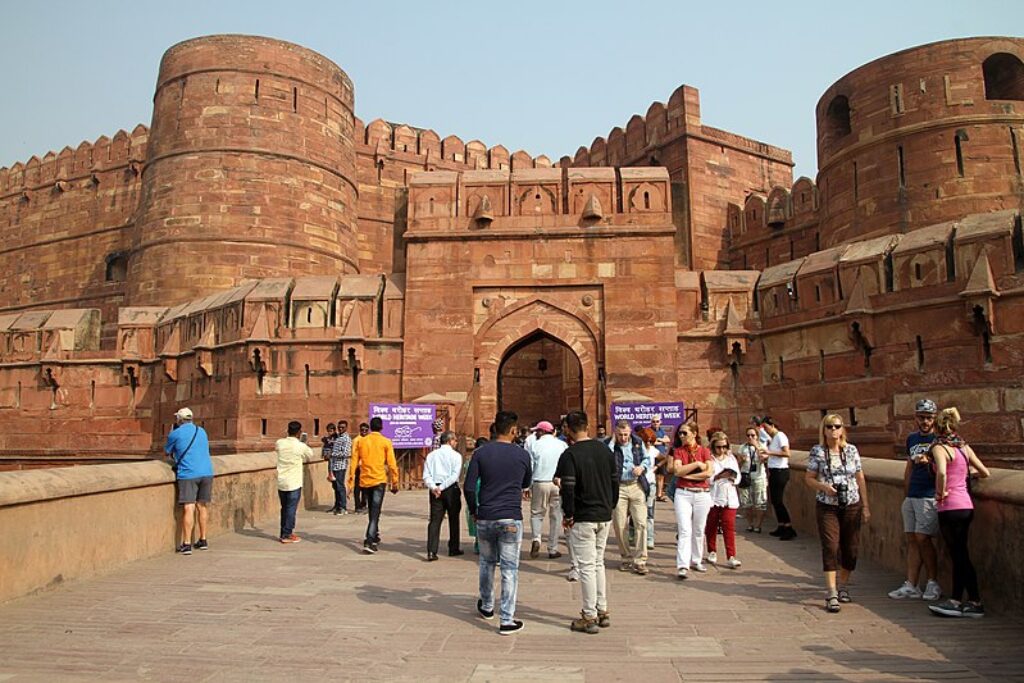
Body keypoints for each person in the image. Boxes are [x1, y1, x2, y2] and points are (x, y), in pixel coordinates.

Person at [464, 410, 531, 635]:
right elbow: (526, 482)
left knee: (486, 562)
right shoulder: (521, 455)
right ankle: (507, 619)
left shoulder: (480, 453)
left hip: (486, 515)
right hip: (510, 516)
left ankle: (487, 606)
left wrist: (475, 511)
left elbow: (470, 487)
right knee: (509, 569)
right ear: (513, 430)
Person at [557, 409, 618, 634]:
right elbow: (614, 482)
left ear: (568, 429)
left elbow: (569, 488)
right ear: (587, 426)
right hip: (603, 513)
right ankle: (602, 610)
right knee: (598, 563)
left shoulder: (570, 454)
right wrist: (609, 505)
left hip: (583, 516)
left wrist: (568, 514)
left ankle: (589, 615)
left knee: (586, 567)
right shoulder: (605, 450)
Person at [928, 407, 990, 618]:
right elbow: (985, 472)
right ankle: (966, 601)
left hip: (949, 507)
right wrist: (966, 474)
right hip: (966, 506)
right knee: (961, 554)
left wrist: (940, 491)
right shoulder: (963, 447)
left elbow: (942, 472)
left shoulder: (939, 448)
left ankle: (966, 601)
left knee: (959, 556)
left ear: (937, 427)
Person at [805, 414, 870, 613]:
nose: (833, 430)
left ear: (842, 429)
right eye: (829, 426)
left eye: (837, 426)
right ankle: (832, 591)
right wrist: (824, 487)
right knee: (831, 546)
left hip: (851, 504)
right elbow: (808, 478)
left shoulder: (851, 451)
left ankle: (843, 585)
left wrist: (866, 505)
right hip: (827, 505)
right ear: (823, 430)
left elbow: (860, 478)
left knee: (850, 549)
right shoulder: (817, 452)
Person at [889, 399, 942, 601]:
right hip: (913, 495)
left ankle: (932, 582)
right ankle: (911, 584)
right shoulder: (912, 439)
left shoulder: (939, 439)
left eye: (929, 417)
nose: (925, 421)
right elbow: (909, 467)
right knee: (912, 539)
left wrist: (929, 460)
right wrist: (906, 492)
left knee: (923, 538)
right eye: (922, 417)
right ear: (916, 418)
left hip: (929, 495)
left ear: (935, 418)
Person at [164, 407, 214, 555]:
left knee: (189, 507)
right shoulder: (202, 431)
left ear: (179, 420)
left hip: (189, 473)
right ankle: (203, 539)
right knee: (202, 506)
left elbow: (167, 452)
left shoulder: (176, 433)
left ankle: (186, 543)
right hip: (207, 472)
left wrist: (171, 434)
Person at [605, 419, 652, 575]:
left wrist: (642, 467)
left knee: (641, 523)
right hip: (619, 486)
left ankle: (640, 560)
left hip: (636, 484)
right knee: (619, 525)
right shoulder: (609, 444)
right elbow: (606, 459)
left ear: (630, 432)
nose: (623, 438)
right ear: (615, 433)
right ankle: (626, 557)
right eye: (620, 435)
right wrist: (612, 442)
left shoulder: (637, 442)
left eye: (626, 434)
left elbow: (647, 459)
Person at [346, 417, 399, 554]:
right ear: (381, 427)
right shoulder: (386, 442)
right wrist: (395, 482)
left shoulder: (361, 441)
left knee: (372, 510)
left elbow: (353, 462)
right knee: (375, 511)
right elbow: (392, 464)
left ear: (370, 428)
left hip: (365, 480)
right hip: (378, 480)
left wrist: (351, 482)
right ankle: (369, 540)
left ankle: (374, 534)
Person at [668, 420, 713, 579]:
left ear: (694, 434)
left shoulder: (705, 451)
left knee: (699, 529)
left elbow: (708, 473)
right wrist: (697, 465)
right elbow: (678, 470)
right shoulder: (679, 451)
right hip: (684, 493)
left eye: (685, 433)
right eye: (680, 433)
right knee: (685, 529)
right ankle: (682, 564)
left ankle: (696, 559)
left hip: (702, 493)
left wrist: (689, 474)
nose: (681, 436)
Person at [528, 420, 568, 560]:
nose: (536, 433)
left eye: (537, 431)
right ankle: (552, 548)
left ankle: (536, 538)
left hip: (540, 481)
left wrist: (528, 484)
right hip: (557, 482)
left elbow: (530, 465)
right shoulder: (562, 444)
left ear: (542, 431)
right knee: (556, 516)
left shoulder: (535, 445)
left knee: (536, 513)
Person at [422, 430, 464, 560]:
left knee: (435, 520)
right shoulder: (456, 456)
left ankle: (431, 550)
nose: (456, 443)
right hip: (450, 488)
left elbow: (426, 475)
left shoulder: (431, 455)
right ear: (450, 441)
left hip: (435, 489)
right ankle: (453, 547)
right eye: (455, 440)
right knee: (453, 519)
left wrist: (434, 487)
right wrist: (441, 487)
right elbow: (454, 476)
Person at [705, 431, 742, 569]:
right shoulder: (709, 459)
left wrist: (733, 478)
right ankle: (712, 550)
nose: (722, 450)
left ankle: (731, 555)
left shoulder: (731, 458)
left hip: (729, 495)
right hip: (713, 495)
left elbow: (738, 476)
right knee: (712, 525)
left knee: (729, 526)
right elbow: (706, 477)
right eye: (719, 447)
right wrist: (717, 477)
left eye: (724, 447)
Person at [277, 420, 313, 544]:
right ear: (299, 432)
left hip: (282, 481)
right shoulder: (300, 446)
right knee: (291, 509)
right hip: (294, 482)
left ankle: (283, 532)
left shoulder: (280, 443)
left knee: (284, 508)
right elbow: (310, 455)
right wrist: (304, 443)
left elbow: (279, 448)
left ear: (287, 430)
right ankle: (287, 534)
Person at [763, 417, 796, 540]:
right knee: (775, 501)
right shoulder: (773, 439)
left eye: (766, 427)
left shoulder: (780, 436)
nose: (766, 430)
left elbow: (787, 453)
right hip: (774, 471)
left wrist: (769, 453)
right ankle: (781, 525)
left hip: (780, 471)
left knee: (778, 501)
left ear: (772, 426)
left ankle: (788, 527)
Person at [738, 426, 768, 533]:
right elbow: (738, 463)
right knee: (746, 502)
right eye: (748, 435)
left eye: (753, 435)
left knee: (760, 502)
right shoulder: (742, 447)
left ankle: (758, 525)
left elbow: (764, 459)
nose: (750, 437)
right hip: (746, 476)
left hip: (759, 477)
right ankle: (750, 524)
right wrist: (742, 460)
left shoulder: (762, 446)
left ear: (757, 436)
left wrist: (757, 447)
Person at [636, 427, 661, 550]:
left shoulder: (653, 450)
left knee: (649, 511)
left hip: (650, 482)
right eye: (646, 441)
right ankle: (634, 534)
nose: (648, 443)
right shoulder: (636, 450)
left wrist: (656, 466)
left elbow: (664, 458)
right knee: (636, 510)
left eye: (650, 441)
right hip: (638, 482)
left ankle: (650, 538)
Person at [327, 420, 352, 515]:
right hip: (334, 465)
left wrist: (332, 454)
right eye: (339, 427)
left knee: (340, 486)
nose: (340, 429)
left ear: (346, 428)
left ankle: (343, 507)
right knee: (335, 486)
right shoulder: (337, 437)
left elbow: (346, 453)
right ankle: (337, 506)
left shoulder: (346, 438)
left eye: (342, 427)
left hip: (340, 465)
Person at [351, 422, 370, 512]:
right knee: (357, 487)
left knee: (366, 487)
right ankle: (357, 505)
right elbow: (354, 454)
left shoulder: (370, 440)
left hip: (367, 467)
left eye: (366, 430)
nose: (364, 432)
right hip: (359, 466)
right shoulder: (356, 440)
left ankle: (364, 504)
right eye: (362, 430)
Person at [651, 415, 671, 502]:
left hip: (661, 456)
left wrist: (659, 439)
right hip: (652, 456)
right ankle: (652, 494)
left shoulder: (661, 431)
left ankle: (659, 494)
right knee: (652, 475)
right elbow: (651, 442)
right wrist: (660, 441)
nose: (655, 423)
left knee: (661, 476)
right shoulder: (650, 430)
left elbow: (668, 440)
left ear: (660, 422)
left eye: (657, 421)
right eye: (654, 421)